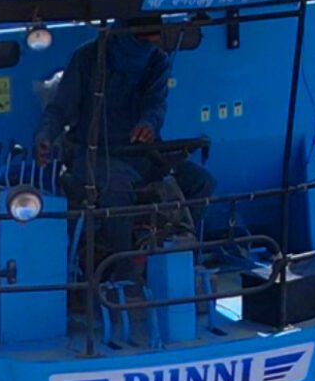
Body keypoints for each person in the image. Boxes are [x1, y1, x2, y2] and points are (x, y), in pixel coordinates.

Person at [32, 20, 213, 259]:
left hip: (144, 155)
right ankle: (124, 265)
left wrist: (148, 124)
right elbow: (60, 109)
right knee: (118, 189)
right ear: (126, 33)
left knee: (201, 181)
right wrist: (45, 135)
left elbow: (155, 104)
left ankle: (173, 253)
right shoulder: (87, 59)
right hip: (92, 156)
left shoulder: (156, 61)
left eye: (154, 40)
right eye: (144, 40)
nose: (149, 46)